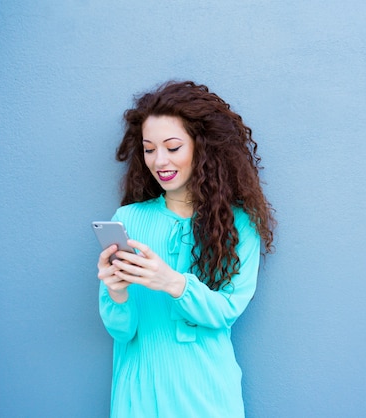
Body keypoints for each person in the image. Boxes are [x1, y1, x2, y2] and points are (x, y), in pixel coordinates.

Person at [96, 80, 275, 417]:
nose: (159, 160)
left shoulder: (240, 224)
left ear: (203, 147)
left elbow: (226, 311)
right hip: (139, 390)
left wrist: (172, 282)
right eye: (149, 149)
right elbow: (121, 331)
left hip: (205, 390)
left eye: (173, 147)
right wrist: (115, 291)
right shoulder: (128, 219)